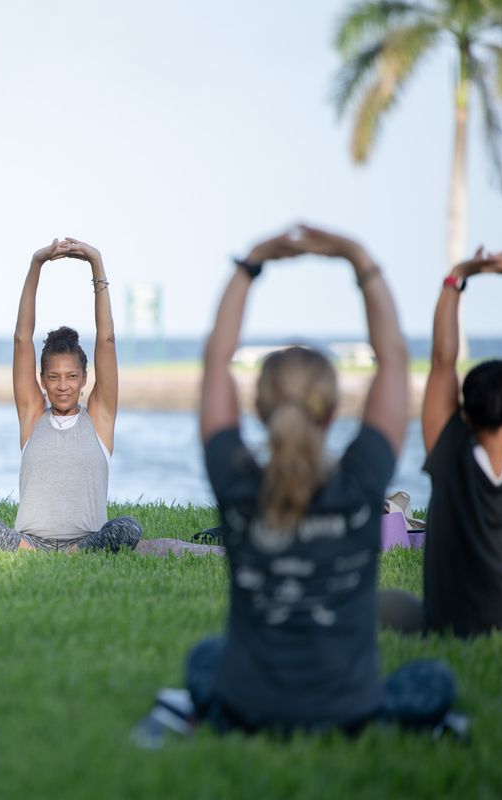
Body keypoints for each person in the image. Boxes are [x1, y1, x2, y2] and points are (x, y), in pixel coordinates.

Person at [187, 225, 456, 733]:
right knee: (434, 678)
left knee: (206, 656)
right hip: (349, 709)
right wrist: (359, 259)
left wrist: (250, 264)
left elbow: (215, 360)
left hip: (247, 705)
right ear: (332, 410)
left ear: (260, 409)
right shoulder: (361, 481)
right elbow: (394, 358)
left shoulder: (236, 481)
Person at [379, 249, 502, 638]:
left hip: (448, 628)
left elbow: (441, 361)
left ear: (465, 414)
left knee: (380, 603)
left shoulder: (449, 452)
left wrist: (456, 279)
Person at [0, 239, 142, 553]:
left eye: (72, 377)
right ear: (42, 380)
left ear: (85, 379)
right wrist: (36, 264)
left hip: (86, 543)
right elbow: (21, 339)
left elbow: (107, 339)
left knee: (127, 527)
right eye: (53, 377)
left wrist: (96, 263)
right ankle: (32, 554)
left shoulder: (100, 418)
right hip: (28, 543)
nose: (63, 386)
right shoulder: (33, 416)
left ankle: (72, 554)